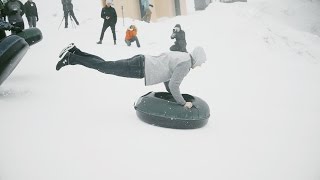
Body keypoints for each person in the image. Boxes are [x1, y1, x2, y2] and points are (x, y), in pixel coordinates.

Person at [55, 43, 207, 108]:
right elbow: (174, 84)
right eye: (201, 63)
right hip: (140, 67)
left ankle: (75, 51)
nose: (199, 66)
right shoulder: (186, 64)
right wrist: (182, 103)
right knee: (105, 67)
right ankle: (71, 57)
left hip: (142, 61)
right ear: (197, 59)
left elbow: (168, 78)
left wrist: (172, 94)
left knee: (106, 65)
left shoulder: (183, 57)